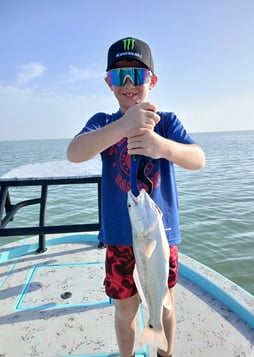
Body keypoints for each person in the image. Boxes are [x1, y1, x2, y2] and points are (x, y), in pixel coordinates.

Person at [67, 37, 205, 357]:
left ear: (152, 81)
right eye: (118, 76)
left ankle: (164, 353)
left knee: (165, 305)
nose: (128, 83)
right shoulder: (102, 123)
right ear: (108, 83)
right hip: (119, 239)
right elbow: (75, 152)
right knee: (125, 310)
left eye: (137, 75)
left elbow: (197, 159)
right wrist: (124, 125)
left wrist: (162, 147)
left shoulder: (166, 123)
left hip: (162, 237)